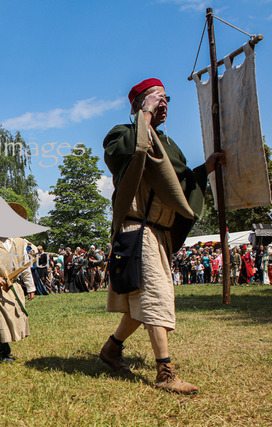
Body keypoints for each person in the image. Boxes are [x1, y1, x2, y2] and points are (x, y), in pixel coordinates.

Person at [99, 78, 224, 394]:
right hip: (137, 229)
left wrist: (206, 169)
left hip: (159, 234)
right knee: (156, 299)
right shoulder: (123, 133)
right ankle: (165, 373)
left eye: (166, 97)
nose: (163, 102)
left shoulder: (169, 145)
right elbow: (129, 154)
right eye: (156, 97)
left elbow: (177, 183)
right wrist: (144, 115)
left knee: (140, 304)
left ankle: (112, 348)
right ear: (138, 103)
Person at [0, 202, 36, 362]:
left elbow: (25, 267)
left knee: (15, 317)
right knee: (0, 320)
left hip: (14, 287)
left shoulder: (20, 243)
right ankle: (1, 352)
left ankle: (6, 350)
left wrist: (30, 287)